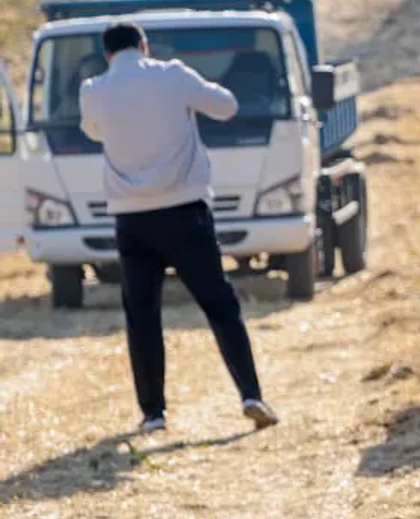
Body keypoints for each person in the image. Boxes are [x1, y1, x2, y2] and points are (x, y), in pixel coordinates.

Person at [78, 21, 279, 434]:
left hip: (130, 218)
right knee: (220, 304)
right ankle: (251, 394)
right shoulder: (172, 75)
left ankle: (153, 414)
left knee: (143, 314)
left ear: (107, 54)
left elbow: (94, 130)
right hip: (185, 210)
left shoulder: (93, 90)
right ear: (144, 46)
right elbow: (227, 107)